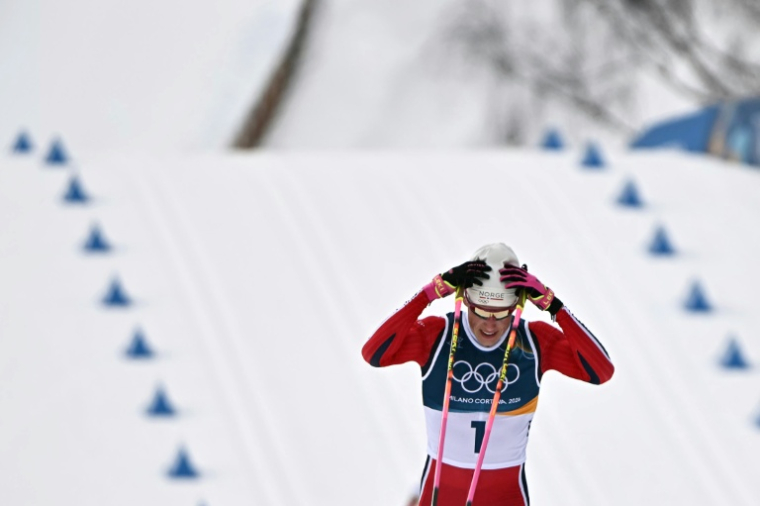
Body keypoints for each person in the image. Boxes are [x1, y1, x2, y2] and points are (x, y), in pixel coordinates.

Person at [362, 243, 614, 506]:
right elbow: (374, 353)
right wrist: (429, 293)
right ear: (465, 300)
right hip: (440, 495)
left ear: (519, 303)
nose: (490, 324)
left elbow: (601, 370)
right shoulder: (437, 336)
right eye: (481, 311)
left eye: (501, 313)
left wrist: (554, 307)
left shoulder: (535, 342)